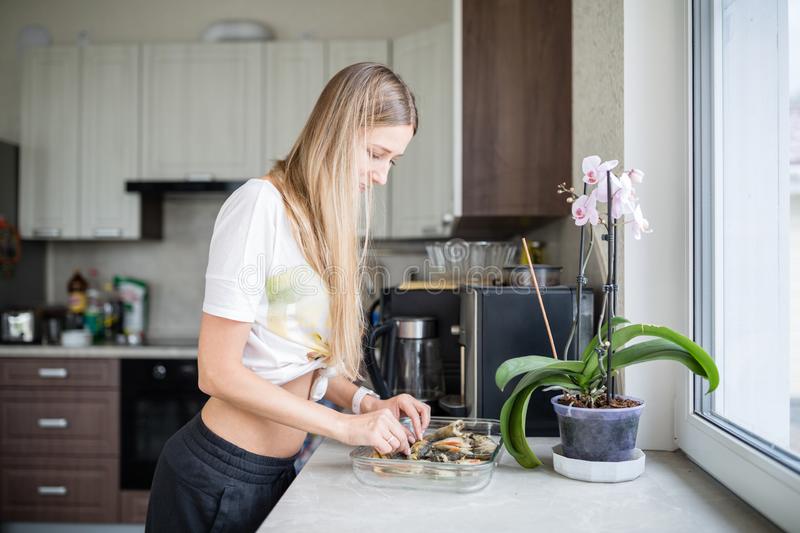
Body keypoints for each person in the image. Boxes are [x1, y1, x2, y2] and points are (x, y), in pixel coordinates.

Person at [145, 62, 428, 533]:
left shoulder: (320, 225)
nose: (382, 176)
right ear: (338, 131)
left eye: (391, 161)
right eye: (376, 154)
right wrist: (342, 427)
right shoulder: (260, 206)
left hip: (272, 475)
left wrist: (365, 404)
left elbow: (299, 360)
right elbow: (216, 371)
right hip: (216, 477)